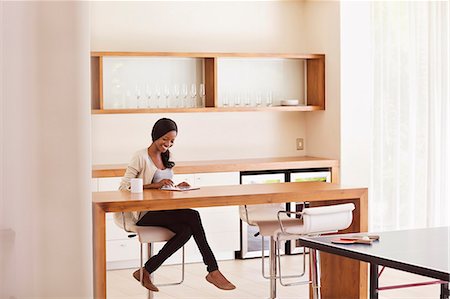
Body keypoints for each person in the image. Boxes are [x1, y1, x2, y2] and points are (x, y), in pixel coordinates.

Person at [114, 118, 236, 292]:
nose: (168, 144)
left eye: (172, 141)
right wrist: (154, 186)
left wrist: (177, 186)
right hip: (144, 213)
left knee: (186, 230)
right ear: (156, 135)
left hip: (163, 209)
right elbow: (124, 187)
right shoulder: (140, 156)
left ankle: (146, 270)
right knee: (193, 215)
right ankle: (213, 270)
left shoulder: (167, 156)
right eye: (165, 139)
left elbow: (164, 185)